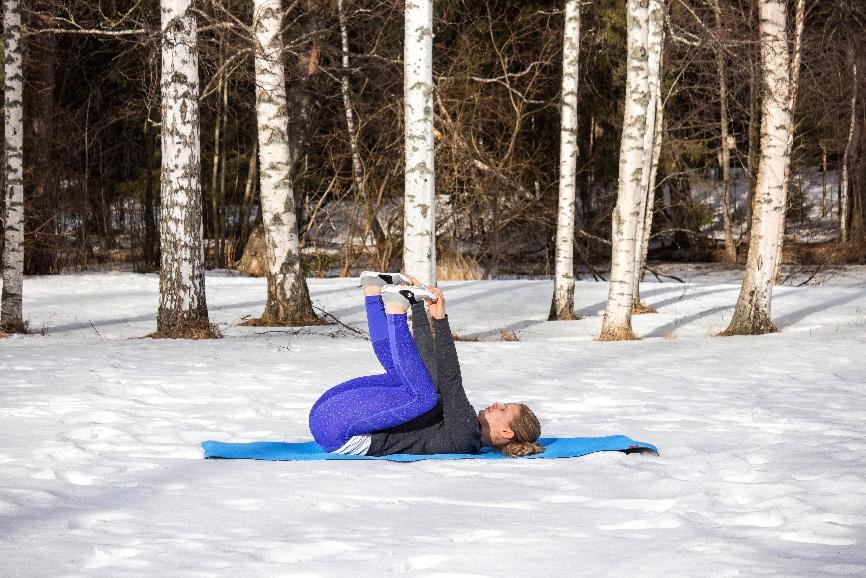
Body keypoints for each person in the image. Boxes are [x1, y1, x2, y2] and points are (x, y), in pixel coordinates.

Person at [308, 272, 544, 458]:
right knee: (410, 377)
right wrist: (418, 305)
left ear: (506, 432)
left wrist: (440, 322)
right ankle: (373, 291)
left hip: (339, 434)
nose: (496, 404)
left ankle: (395, 310)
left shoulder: (465, 436)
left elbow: (452, 381)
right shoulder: (459, 420)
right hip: (326, 418)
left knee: (425, 396)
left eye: (504, 409)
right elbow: (428, 362)